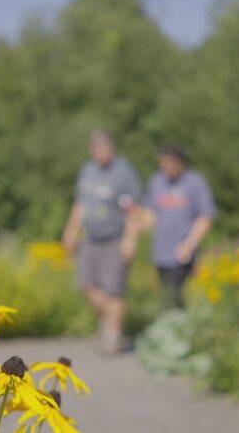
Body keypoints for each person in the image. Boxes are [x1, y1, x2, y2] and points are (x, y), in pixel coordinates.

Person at [62, 130, 141, 354]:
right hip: (90, 239)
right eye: (96, 148)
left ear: (111, 148)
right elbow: (80, 204)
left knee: (114, 290)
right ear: (91, 150)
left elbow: (133, 209)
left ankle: (112, 336)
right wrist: (70, 231)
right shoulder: (87, 170)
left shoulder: (123, 172)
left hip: (115, 239)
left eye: (104, 147)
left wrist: (130, 239)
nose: (100, 152)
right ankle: (109, 321)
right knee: (86, 284)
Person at [142, 144, 216, 308]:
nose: (166, 168)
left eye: (169, 163)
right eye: (163, 163)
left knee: (178, 296)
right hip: (161, 252)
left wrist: (189, 244)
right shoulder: (157, 180)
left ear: (180, 162)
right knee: (166, 296)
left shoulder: (195, 182)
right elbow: (150, 214)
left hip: (183, 253)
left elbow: (206, 217)